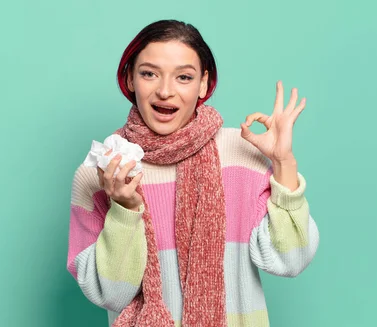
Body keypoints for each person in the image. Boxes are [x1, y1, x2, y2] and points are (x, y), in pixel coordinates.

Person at [66, 19, 320, 327]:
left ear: (203, 83)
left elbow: (289, 261)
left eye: (183, 77)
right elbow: (109, 294)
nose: (165, 91)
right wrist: (124, 209)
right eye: (149, 74)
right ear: (131, 78)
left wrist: (284, 163)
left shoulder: (241, 157)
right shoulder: (102, 172)